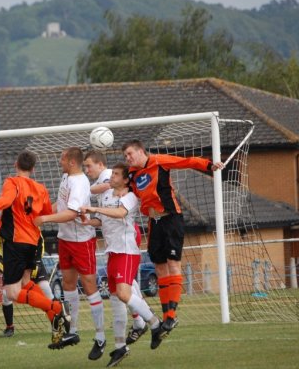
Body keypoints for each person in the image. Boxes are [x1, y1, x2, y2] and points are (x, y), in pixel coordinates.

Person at [0, 150, 69, 346]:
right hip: (33, 243)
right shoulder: (41, 188)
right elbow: (46, 213)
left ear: (16, 164)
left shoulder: (12, 182)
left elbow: (4, 202)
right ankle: (56, 312)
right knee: (26, 283)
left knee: (12, 293)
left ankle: (56, 308)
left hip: (16, 242)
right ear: (33, 168)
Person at [122, 140, 224, 340]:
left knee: (173, 264)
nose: (128, 158)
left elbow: (186, 161)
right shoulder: (133, 174)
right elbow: (124, 189)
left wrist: (209, 165)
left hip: (170, 219)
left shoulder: (159, 161)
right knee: (159, 268)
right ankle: (165, 317)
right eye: (125, 155)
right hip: (154, 224)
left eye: (130, 153)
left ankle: (171, 316)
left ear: (141, 151)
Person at [81, 162, 167, 366]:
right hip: (112, 252)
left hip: (127, 252)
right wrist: (88, 221)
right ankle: (120, 347)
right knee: (116, 300)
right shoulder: (107, 195)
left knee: (123, 293)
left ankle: (155, 324)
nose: (112, 177)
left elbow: (120, 213)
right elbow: (101, 220)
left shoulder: (131, 197)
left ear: (126, 179)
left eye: (117, 175)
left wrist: (93, 207)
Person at [34, 147, 107, 361]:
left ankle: (100, 337)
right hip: (65, 239)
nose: (60, 161)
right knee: (67, 283)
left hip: (81, 240)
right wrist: (44, 212)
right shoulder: (66, 177)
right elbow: (61, 205)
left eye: (62, 158)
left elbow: (71, 214)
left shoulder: (79, 182)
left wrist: (45, 220)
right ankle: (72, 331)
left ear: (71, 162)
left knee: (90, 286)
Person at [83, 150, 151, 345]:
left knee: (125, 286)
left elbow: (103, 190)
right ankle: (138, 322)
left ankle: (148, 320)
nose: (87, 170)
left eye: (89, 166)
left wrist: (87, 190)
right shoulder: (104, 182)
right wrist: (89, 221)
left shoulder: (107, 177)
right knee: (125, 285)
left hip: (126, 235)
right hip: (113, 238)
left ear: (100, 165)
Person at [0, 229, 54, 337]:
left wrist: (38, 260)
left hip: (33, 262)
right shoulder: (0, 223)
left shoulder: (28, 217)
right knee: (6, 295)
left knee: (46, 290)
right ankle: (9, 327)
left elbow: (40, 239)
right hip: (14, 263)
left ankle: (56, 322)